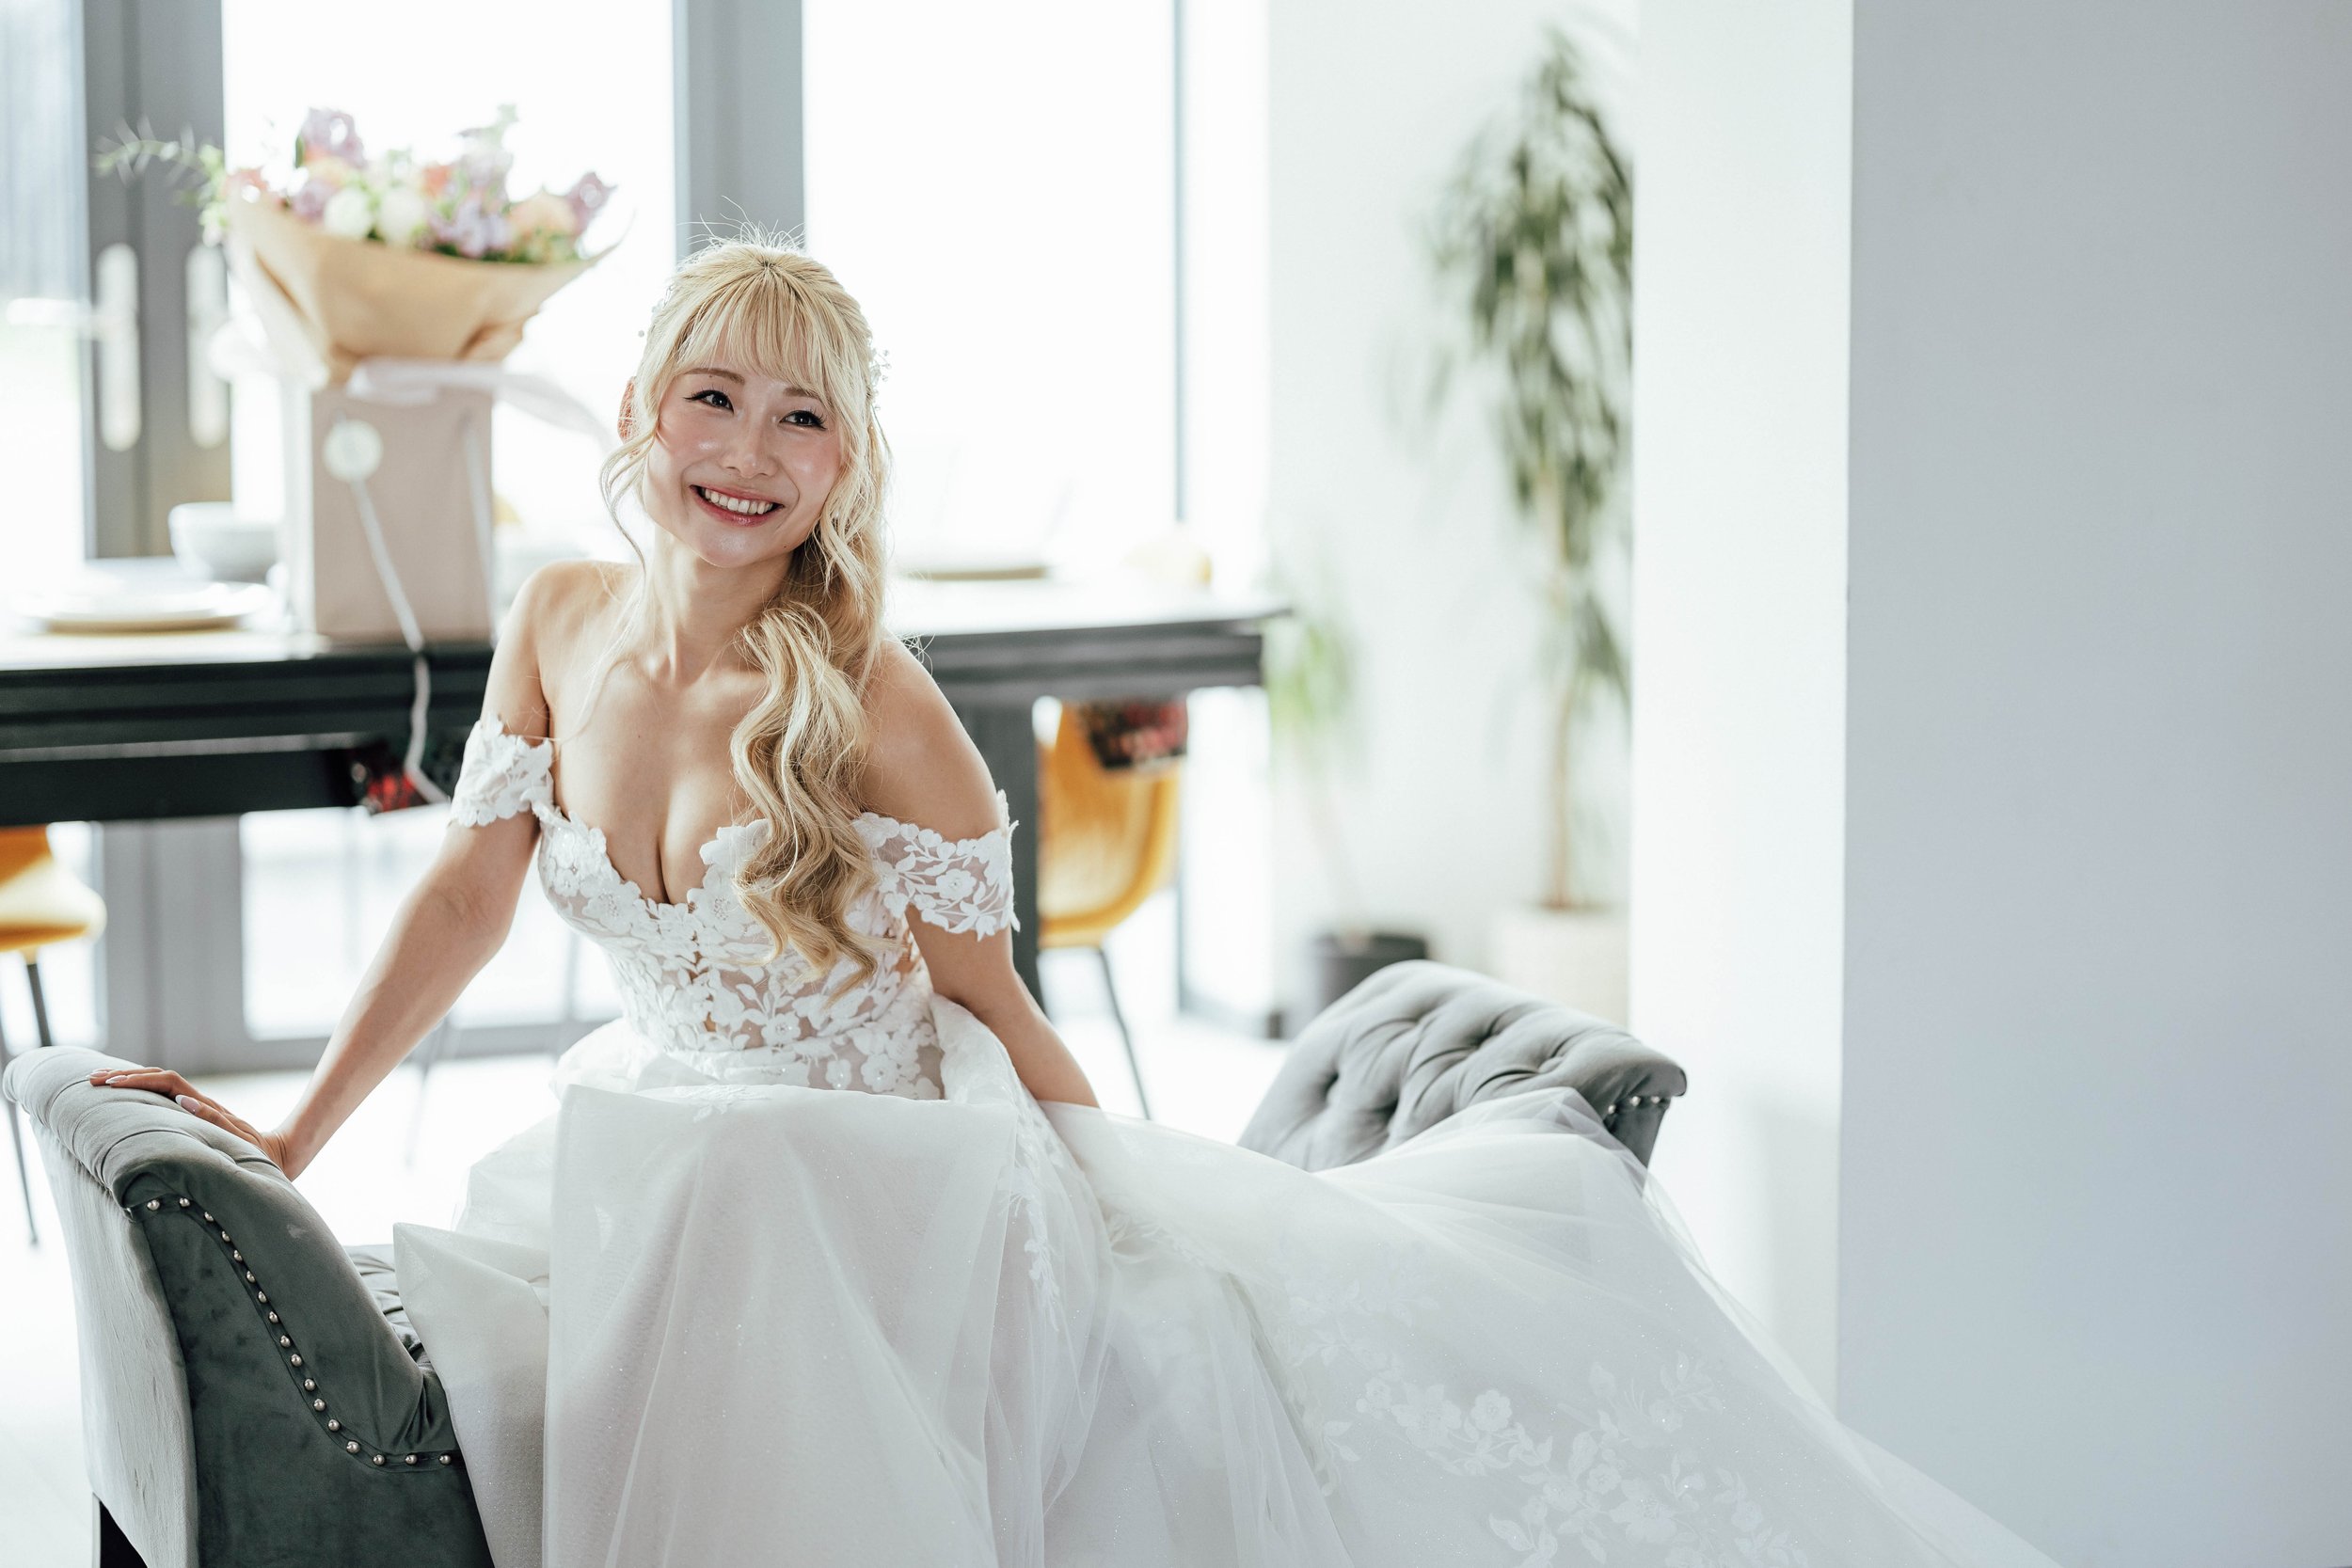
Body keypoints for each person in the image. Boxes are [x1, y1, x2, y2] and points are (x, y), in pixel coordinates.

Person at [93, 235, 2064, 1568]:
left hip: (875, 1172)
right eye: (711, 400)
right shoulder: (553, 619)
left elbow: (996, 1016)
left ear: (845, 462)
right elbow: (464, 894)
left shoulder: (880, 709)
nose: (748, 456)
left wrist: (1157, 1230)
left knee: (743, 1199)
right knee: (664, 1194)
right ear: (636, 414)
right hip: (661, 1129)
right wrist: (289, 1130)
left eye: (802, 420)